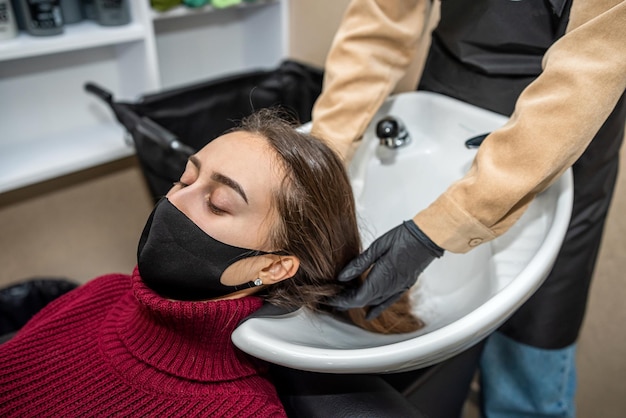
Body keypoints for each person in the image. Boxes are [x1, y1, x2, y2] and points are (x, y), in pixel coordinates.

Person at [311, 0, 626, 416]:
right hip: (453, 84)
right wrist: (323, 157)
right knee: (438, 344)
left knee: (530, 355)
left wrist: (438, 229)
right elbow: (381, 18)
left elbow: (593, 62)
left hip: (565, 124)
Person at [0, 109, 422, 417]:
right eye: (185, 178)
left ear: (274, 267)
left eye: (218, 204)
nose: (174, 200)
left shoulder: (241, 410)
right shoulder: (100, 291)